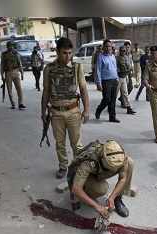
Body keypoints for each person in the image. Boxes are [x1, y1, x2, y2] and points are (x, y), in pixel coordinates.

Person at [41, 37, 90, 179]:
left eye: (70, 53)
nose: (68, 56)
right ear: (57, 51)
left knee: (77, 144)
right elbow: (46, 91)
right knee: (60, 143)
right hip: (56, 112)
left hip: (73, 111)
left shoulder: (77, 67)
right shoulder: (49, 69)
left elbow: (83, 89)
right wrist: (43, 111)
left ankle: (78, 168)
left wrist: (86, 110)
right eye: (64, 53)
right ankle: (63, 166)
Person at [68, 140, 134, 218]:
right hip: (89, 174)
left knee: (130, 162)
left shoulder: (120, 155)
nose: (116, 170)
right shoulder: (89, 161)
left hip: (103, 171)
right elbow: (76, 188)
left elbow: (123, 178)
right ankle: (81, 195)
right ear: (102, 158)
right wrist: (97, 206)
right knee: (102, 189)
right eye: (112, 167)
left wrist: (112, 197)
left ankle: (118, 198)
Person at [95, 39, 120, 123]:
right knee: (107, 99)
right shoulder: (100, 56)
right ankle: (99, 109)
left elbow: (115, 67)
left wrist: (116, 78)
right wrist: (98, 83)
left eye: (109, 46)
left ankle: (112, 117)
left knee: (113, 99)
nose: (108, 48)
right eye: (106, 46)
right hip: (105, 81)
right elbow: (98, 70)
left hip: (114, 80)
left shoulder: (113, 56)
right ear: (103, 47)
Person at [0, 41, 25, 110]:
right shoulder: (4, 54)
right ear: (7, 46)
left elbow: (19, 63)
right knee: (9, 89)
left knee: (19, 89)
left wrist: (22, 73)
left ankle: (20, 103)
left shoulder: (16, 53)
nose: (10, 47)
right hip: (8, 73)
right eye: (9, 46)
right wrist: (2, 75)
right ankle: (13, 103)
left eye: (11, 46)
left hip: (15, 71)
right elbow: (2, 65)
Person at [116, 46, 136, 115]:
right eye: (122, 50)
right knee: (114, 94)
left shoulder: (127, 57)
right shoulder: (117, 58)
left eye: (124, 51)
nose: (123, 52)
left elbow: (130, 66)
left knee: (125, 93)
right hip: (118, 77)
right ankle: (110, 107)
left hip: (124, 77)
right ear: (119, 51)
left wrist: (129, 72)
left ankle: (128, 108)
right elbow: (117, 68)